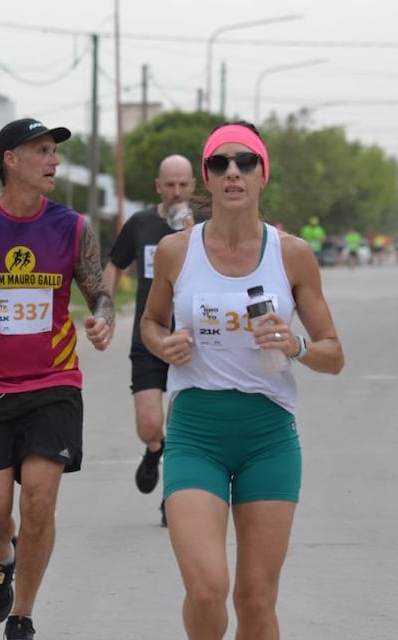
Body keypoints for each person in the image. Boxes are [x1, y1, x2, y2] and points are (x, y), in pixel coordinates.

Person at [140, 122, 345, 640]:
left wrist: (294, 344)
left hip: (268, 439)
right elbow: (150, 322)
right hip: (195, 435)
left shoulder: (292, 253)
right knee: (207, 590)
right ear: (206, 178)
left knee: (255, 601)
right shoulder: (175, 251)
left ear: (261, 176)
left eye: (246, 162)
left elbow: (333, 353)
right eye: (220, 163)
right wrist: (162, 345)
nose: (233, 171)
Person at [0, 117, 114, 640]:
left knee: (39, 499)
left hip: (54, 382)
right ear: (11, 160)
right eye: (42, 150)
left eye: (53, 151)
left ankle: (23, 615)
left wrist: (104, 318)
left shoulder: (73, 227)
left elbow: (98, 291)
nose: (53, 160)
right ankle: (1, 555)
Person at [102, 154, 196, 526]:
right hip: (149, 334)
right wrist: (105, 308)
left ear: (192, 187)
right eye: (169, 185)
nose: (176, 193)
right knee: (149, 423)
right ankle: (153, 449)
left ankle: (170, 497)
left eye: (182, 185)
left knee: (183, 427)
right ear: (158, 186)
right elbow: (115, 264)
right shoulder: (140, 224)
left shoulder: (207, 225)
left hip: (192, 340)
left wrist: (192, 232)